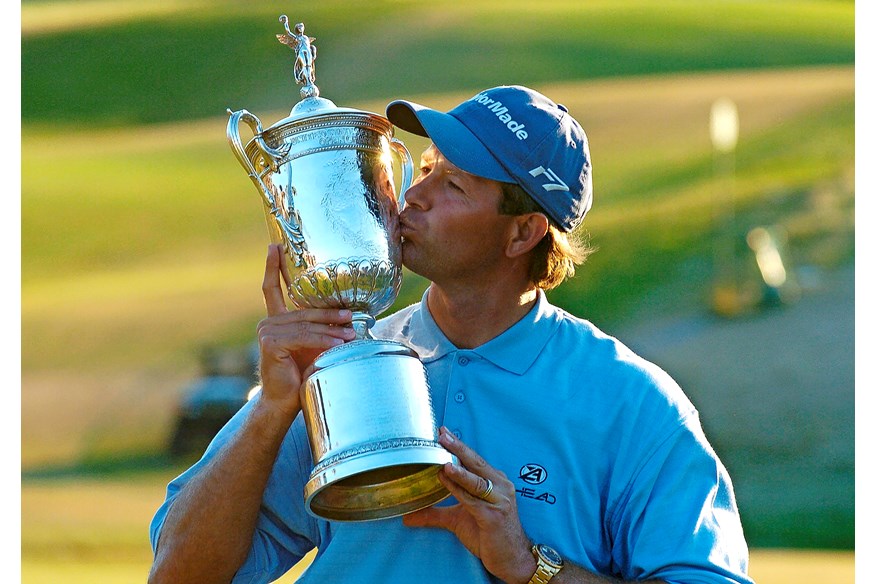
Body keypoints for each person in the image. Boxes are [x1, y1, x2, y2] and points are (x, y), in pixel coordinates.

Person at [148, 85, 754, 584]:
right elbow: (179, 574)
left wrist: (532, 566)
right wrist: (271, 411)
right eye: (429, 168)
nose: (414, 196)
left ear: (522, 234)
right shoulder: (336, 367)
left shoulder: (631, 403)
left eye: (453, 186)